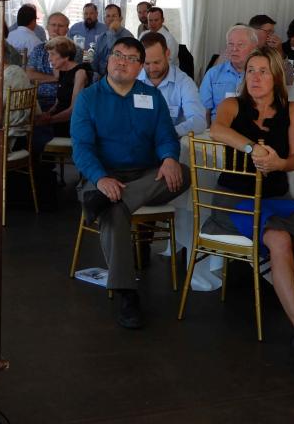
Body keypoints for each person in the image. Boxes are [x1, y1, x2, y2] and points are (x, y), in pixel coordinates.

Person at [206, 47, 294, 353]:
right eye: (251, 71)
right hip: (234, 198)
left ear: (276, 77)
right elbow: (216, 129)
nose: (256, 78)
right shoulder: (232, 106)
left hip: (277, 196)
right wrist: (253, 149)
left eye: (263, 71)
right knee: (278, 239)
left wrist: (279, 164)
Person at [71, 37, 190, 329]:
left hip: (145, 177)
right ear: (109, 59)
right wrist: (101, 179)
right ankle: (127, 293)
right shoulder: (89, 98)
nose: (121, 61)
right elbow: (82, 148)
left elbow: (165, 137)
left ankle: (111, 201)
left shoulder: (151, 97)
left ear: (140, 67)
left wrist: (169, 158)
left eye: (130, 58)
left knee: (184, 172)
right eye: (117, 55)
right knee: (114, 212)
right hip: (101, 176)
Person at [138, 32, 206, 137]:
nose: (152, 69)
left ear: (167, 54)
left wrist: (167, 133)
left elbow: (199, 122)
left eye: (156, 62)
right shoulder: (133, 79)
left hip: (171, 144)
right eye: (147, 63)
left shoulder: (184, 82)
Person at [34, 36, 91, 140]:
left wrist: (49, 120)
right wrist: (47, 114)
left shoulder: (80, 73)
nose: (49, 59)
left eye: (52, 54)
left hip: (72, 123)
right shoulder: (61, 71)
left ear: (66, 56)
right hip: (58, 119)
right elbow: (58, 103)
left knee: (33, 136)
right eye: (48, 54)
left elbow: (74, 110)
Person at [200, 25, 258, 125]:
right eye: (230, 44)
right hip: (218, 130)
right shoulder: (213, 74)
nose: (234, 49)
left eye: (240, 45)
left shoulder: (261, 75)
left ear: (254, 48)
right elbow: (204, 111)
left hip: (250, 131)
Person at [25, 12, 82, 110]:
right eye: (53, 25)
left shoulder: (74, 50)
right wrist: (55, 79)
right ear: (47, 27)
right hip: (37, 100)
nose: (56, 29)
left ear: (67, 30)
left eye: (60, 26)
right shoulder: (38, 49)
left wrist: (57, 46)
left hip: (63, 100)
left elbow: (62, 76)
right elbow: (29, 75)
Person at [93, 4, 133, 76]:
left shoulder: (128, 36)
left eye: (114, 16)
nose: (111, 19)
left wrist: (112, 31)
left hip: (119, 77)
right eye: (108, 16)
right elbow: (96, 60)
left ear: (120, 19)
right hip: (101, 78)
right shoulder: (101, 37)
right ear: (104, 20)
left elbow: (115, 55)